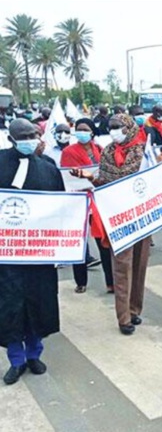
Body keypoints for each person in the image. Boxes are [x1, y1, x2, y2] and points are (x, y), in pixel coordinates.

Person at [70, 114, 157, 336]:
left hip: (142, 215)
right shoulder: (108, 152)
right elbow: (105, 183)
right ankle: (123, 317)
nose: (114, 131)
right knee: (121, 266)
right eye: (111, 127)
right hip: (118, 216)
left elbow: (152, 182)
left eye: (118, 127)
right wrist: (90, 177)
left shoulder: (143, 152)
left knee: (139, 265)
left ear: (128, 127)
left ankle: (134, 309)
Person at [1, 119, 65, 386]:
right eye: (24, 135)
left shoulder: (49, 168)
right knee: (10, 305)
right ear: (12, 138)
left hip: (39, 252)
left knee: (39, 302)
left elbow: (62, 208)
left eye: (34, 134)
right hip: (7, 255)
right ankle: (16, 360)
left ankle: (34, 354)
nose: (30, 138)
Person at [60, 118, 114, 294]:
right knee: (80, 241)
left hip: (99, 198)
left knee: (103, 241)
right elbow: (69, 176)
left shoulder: (100, 149)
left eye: (85, 129)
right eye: (78, 129)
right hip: (79, 199)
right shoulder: (69, 152)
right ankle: (80, 281)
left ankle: (110, 282)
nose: (81, 132)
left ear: (91, 131)